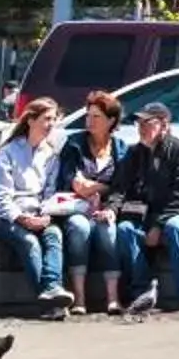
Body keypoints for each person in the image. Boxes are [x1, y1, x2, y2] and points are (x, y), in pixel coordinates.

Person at [114, 99, 179, 313]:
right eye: (139, 124)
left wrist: (158, 224)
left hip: (178, 213)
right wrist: (111, 208)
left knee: (176, 227)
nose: (141, 129)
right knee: (125, 229)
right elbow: (120, 188)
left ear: (164, 125)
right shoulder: (135, 153)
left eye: (148, 123)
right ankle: (142, 291)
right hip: (145, 215)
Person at [0, 96, 68, 307]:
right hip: (7, 218)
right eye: (46, 119)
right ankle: (50, 301)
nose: (50, 125)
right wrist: (22, 218)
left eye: (53, 120)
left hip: (38, 214)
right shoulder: (7, 153)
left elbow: (49, 192)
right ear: (31, 120)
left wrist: (45, 215)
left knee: (54, 235)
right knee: (29, 242)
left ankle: (52, 288)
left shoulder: (50, 155)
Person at [52, 92, 127, 314]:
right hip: (76, 206)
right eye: (88, 115)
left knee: (108, 229)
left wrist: (110, 207)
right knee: (79, 227)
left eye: (96, 117)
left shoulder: (120, 148)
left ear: (111, 120)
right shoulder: (75, 144)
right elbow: (75, 184)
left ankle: (113, 298)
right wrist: (103, 185)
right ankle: (79, 298)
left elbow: (122, 187)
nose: (90, 121)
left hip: (105, 207)